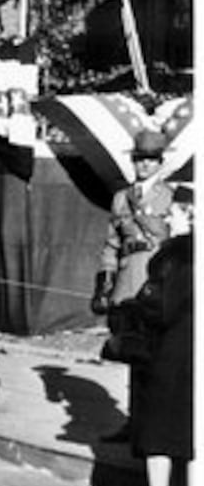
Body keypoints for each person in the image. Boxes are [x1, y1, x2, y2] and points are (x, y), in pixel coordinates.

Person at [120, 184, 194, 486]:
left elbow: (160, 308)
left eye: (176, 211)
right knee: (194, 432)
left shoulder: (174, 255)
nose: (167, 214)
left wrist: (136, 308)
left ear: (192, 214)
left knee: (157, 432)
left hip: (169, 354)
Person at [92, 129, 174, 442]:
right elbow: (112, 244)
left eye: (150, 160)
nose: (143, 165)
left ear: (160, 163)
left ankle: (156, 425)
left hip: (157, 282)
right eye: (139, 159)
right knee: (132, 352)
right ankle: (133, 423)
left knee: (158, 357)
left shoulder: (171, 196)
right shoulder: (120, 197)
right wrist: (104, 282)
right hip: (128, 283)